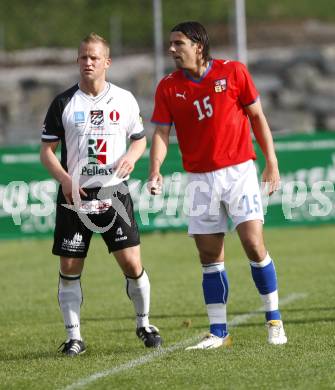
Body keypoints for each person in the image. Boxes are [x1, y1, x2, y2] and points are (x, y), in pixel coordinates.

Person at [149, 21, 287, 349]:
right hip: (199, 178)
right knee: (209, 256)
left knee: (254, 244)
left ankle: (274, 320)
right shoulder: (168, 86)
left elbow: (257, 118)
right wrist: (155, 168)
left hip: (239, 172)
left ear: (198, 45)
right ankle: (218, 332)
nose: (171, 49)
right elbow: (161, 133)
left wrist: (272, 161)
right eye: (170, 43)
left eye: (178, 43)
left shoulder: (234, 72)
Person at [40, 32, 162, 356]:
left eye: (94, 57)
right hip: (74, 197)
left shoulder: (124, 99)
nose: (88, 62)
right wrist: (65, 179)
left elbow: (139, 139)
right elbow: (46, 151)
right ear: (77, 61)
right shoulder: (64, 102)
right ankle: (74, 337)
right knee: (69, 266)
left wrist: (131, 157)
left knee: (132, 262)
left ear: (107, 62)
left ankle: (144, 323)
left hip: (114, 193)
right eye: (83, 57)